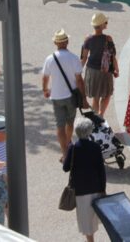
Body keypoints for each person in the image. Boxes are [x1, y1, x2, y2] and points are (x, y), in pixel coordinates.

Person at [43, 29, 87, 162]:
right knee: (70, 123)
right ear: (67, 42)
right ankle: (68, 144)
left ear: (55, 43)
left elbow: (45, 77)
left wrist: (45, 89)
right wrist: (84, 98)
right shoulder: (74, 58)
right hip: (71, 97)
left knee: (59, 126)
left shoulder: (50, 59)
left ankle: (65, 153)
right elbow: (79, 80)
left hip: (56, 97)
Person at [63, 117, 106, 242]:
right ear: (89, 131)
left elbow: (66, 168)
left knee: (86, 220)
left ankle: (90, 240)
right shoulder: (96, 147)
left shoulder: (74, 148)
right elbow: (101, 171)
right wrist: (103, 188)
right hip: (96, 187)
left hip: (80, 190)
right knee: (96, 217)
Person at [80, 12, 117, 116]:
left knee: (96, 97)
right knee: (107, 95)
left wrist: (78, 71)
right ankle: (101, 116)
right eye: (106, 22)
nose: (107, 23)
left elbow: (84, 57)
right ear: (102, 25)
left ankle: (96, 117)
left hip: (92, 72)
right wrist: (116, 69)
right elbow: (112, 56)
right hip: (105, 71)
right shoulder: (108, 38)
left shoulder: (88, 38)